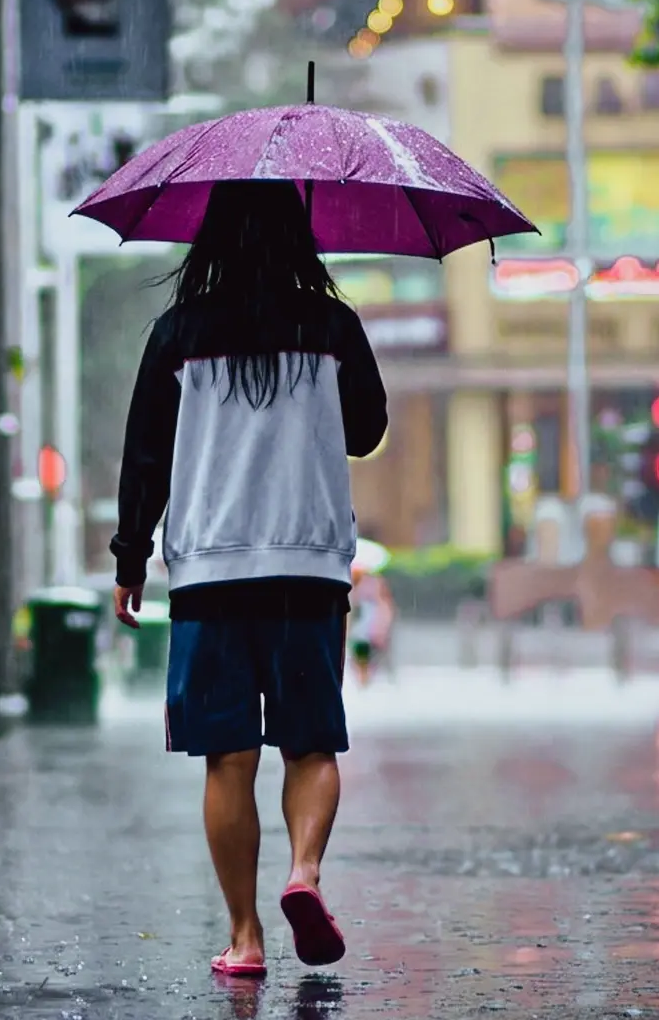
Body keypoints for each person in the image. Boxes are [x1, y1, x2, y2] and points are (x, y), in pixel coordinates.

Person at [109, 179, 388, 979]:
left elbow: (145, 457)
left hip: (209, 573)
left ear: (211, 243)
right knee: (309, 742)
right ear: (298, 240)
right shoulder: (333, 326)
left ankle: (245, 937)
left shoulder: (177, 334)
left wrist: (130, 558)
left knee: (226, 757)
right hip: (308, 567)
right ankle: (304, 873)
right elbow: (366, 432)